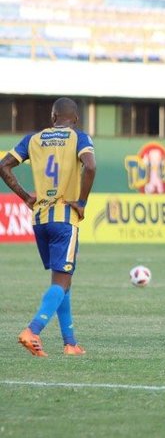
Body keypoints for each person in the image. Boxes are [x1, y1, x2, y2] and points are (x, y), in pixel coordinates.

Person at [0, 97, 96, 357]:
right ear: (74, 119)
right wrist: (82, 202)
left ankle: (70, 343)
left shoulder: (33, 139)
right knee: (61, 281)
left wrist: (25, 197)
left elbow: (3, 166)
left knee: (63, 281)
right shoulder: (79, 138)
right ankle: (33, 330)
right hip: (65, 217)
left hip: (41, 219)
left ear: (53, 117)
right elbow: (90, 165)